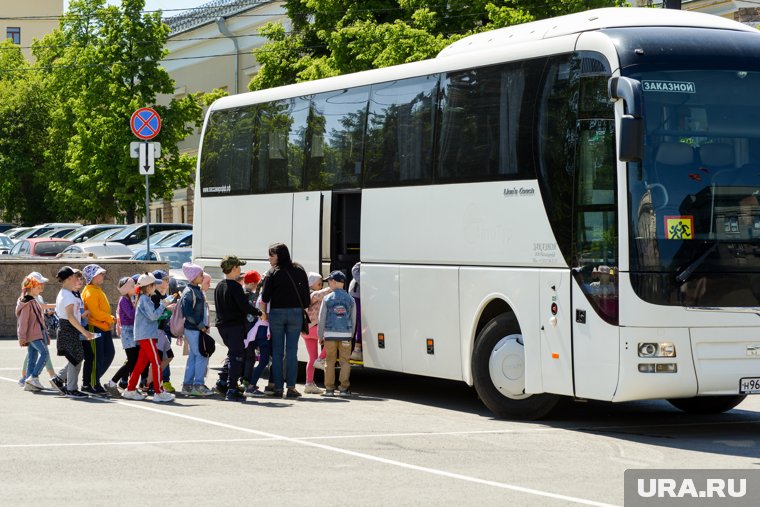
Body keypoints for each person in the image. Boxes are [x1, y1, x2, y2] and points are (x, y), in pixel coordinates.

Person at [260, 243, 310, 398]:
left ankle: (278, 388)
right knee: (292, 351)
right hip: (295, 313)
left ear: (279, 256)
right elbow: (306, 296)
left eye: (271, 255)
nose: (269, 258)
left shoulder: (272, 272)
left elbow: (265, 297)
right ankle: (292, 387)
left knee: (277, 351)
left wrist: (263, 313)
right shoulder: (299, 269)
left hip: (277, 314)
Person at [123, 273, 175, 403]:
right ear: (148, 287)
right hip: (147, 335)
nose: (156, 286)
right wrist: (163, 304)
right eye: (154, 284)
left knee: (141, 364)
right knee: (156, 363)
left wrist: (163, 305)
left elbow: (152, 316)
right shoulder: (145, 299)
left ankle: (130, 389)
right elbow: (153, 316)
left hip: (145, 335)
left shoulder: (144, 298)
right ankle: (159, 392)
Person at [214, 255, 259, 401]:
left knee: (232, 353)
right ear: (233, 268)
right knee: (237, 357)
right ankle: (231, 388)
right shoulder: (235, 287)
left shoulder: (220, 285)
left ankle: (222, 382)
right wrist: (259, 313)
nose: (240, 269)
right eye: (239, 267)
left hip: (222, 326)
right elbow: (244, 307)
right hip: (234, 326)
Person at [55, 266, 96, 398]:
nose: (76, 278)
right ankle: (72, 389)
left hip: (68, 328)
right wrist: (85, 332)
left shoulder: (67, 293)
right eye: (73, 276)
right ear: (68, 279)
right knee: (76, 359)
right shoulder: (68, 296)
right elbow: (70, 317)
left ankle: (61, 380)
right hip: (68, 328)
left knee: (76, 358)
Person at [318, 270, 356, 397]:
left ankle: (329, 389)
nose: (328, 283)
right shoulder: (350, 299)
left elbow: (321, 319)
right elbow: (353, 319)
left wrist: (320, 335)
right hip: (346, 334)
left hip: (329, 334)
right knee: (345, 361)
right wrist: (351, 334)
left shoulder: (327, 298)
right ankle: (344, 389)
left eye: (329, 281)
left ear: (334, 282)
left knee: (330, 361)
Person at [179, 262, 214, 396]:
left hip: (193, 329)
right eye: (200, 274)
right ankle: (198, 385)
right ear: (194, 277)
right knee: (201, 355)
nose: (202, 276)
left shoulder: (192, 290)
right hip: (194, 329)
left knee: (194, 356)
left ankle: (188, 385)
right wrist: (201, 326)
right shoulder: (191, 292)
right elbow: (188, 314)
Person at [81, 264, 116, 395]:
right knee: (98, 357)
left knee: (108, 354)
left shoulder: (96, 289)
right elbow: (95, 312)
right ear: (92, 277)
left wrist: (108, 320)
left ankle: (92, 381)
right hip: (95, 327)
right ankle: (93, 383)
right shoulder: (90, 291)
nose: (103, 276)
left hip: (103, 327)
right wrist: (110, 318)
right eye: (100, 274)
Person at [16, 273, 51, 392]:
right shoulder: (28, 302)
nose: (41, 288)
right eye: (39, 286)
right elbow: (23, 322)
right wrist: (22, 337)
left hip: (35, 333)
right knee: (45, 353)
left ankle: (28, 380)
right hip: (33, 334)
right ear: (32, 287)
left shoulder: (33, 300)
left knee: (32, 356)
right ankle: (34, 377)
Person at [104, 276, 138, 397]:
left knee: (133, 360)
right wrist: (137, 304)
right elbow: (131, 315)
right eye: (133, 286)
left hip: (131, 331)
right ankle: (112, 382)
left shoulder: (129, 298)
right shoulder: (124, 300)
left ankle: (127, 384)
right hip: (127, 332)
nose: (135, 288)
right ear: (126, 289)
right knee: (132, 360)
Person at [302, 272, 331, 394]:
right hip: (312, 328)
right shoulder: (312, 294)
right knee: (330, 338)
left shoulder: (308, 294)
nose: (321, 285)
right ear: (312, 283)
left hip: (305, 330)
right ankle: (321, 358)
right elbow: (320, 294)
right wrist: (334, 286)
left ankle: (309, 384)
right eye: (319, 283)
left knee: (311, 358)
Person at [241, 270, 262, 385]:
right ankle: (246, 381)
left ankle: (241, 378)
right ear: (253, 283)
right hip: (249, 329)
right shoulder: (250, 295)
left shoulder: (240, 292)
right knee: (250, 356)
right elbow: (251, 314)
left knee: (243, 355)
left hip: (240, 328)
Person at [349, 262, 363, 361]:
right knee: (359, 320)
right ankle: (356, 350)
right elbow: (355, 269)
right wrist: (365, 282)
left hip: (358, 293)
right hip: (356, 294)